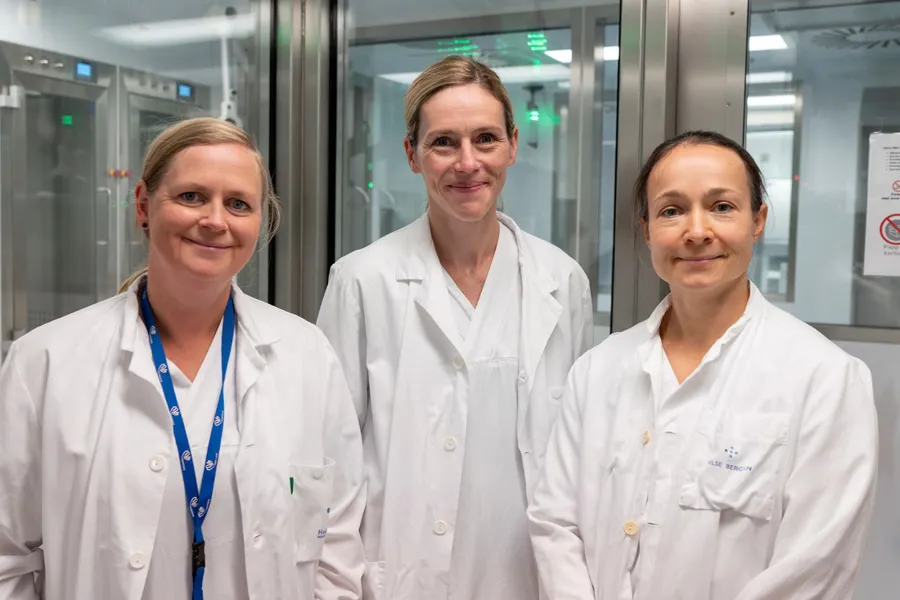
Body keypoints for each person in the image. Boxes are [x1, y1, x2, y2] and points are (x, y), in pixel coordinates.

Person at [0, 117, 365, 600]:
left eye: (238, 204)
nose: (215, 220)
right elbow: (8, 557)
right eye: (192, 196)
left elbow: (336, 544)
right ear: (143, 205)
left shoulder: (306, 354)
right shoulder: (44, 362)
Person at [527, 130, 879, 600]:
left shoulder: (826, 379)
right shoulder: (597, 370)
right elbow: (556, 524)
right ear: (647, 229)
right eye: (671, 210)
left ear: (759, 220)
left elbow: (816, 567)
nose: (696, 231)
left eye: (722, 206)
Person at [316, 56, 594, 600]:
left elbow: (578, 450)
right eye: (443, 142)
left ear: (513, 145)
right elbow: (330, 459)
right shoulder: (361, 281)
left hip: (529, 576)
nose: (468, 163)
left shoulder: (561, 281)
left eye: (485, 139)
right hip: (400, 575)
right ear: (412, 155)